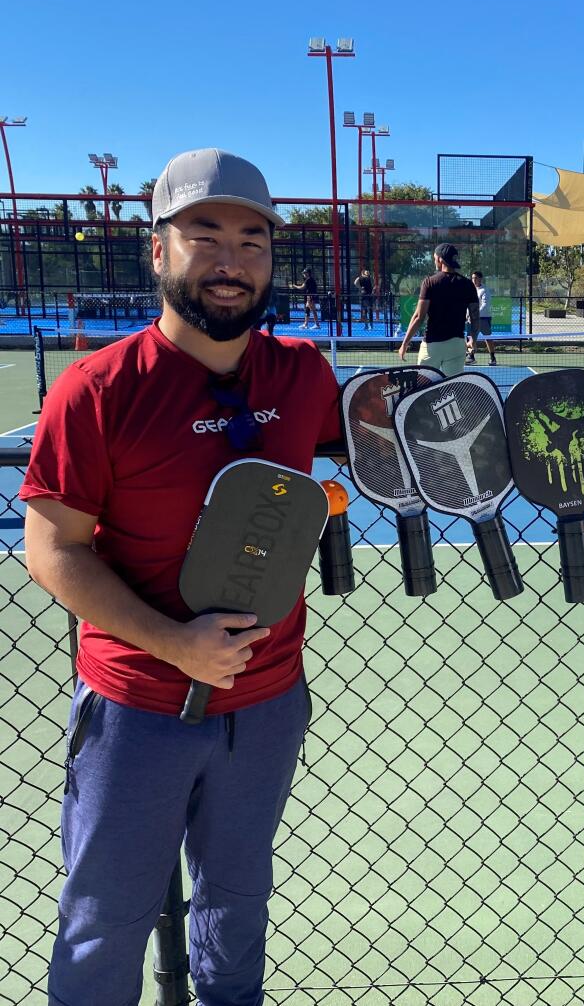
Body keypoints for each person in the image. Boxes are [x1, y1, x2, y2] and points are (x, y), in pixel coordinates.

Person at [20, 148, 342, 1006]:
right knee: (104, 921)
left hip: (268, 703)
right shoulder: (96, 391)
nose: (231, 260)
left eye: (252, 240)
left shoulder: (305, 373)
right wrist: (175, 644)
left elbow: (382, 448)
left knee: (237, 911)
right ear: (158, 249)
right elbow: (50, 549)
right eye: (205, 234)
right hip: (136, 713)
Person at [397, 242, 479, 376]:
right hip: (457, 345)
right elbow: (475, 317)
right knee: (452, 390)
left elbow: (419, 317)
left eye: (435, 257)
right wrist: (473, 340)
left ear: (440, 259)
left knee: (424, 388)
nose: (434, 260)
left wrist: (405, 343)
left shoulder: (429, 282)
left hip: (432, 345)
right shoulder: (468, 284)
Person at [467, 270, 496, 366]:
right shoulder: (471, 290)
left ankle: (493, 358)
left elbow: (485, 305)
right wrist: (468, 315)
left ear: (480, 279)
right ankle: (471, 357)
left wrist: (475, 315)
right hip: (471, 319)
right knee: (471, 338)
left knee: (487, 338)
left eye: (475, 278)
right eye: (472, 278)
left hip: (484, 318)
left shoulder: (485, 290)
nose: (474, 280)